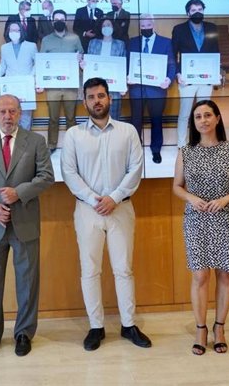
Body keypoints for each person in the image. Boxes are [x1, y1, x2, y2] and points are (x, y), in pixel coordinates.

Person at [61, 77, 152, 352]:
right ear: (84, 101)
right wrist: (93, 198)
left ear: (109, 99)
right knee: (90, 269)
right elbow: (69, 172)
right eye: (91, 96)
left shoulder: (127, 131)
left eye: (101, 95)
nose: (97, 101)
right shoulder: (74, 135)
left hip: (120, 208)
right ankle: (96, 327)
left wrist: (113, 197)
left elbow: (136, 168)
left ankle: (128, 324)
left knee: (123, 269)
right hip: (87, 210)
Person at [0, 94, 55, 358]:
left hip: (25, 222)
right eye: (3, 111)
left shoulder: (36, 141)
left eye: (13, 111)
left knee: (27, 282)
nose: (8, 116)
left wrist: (19, 192)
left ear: (20, 114)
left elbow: (46, 176)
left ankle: (24, 333)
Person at [172, 99, 229, 356]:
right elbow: (176, 186)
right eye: (198, 117)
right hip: (196, 219)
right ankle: (200, 329)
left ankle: (219, 328)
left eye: (208, 115)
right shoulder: (186, 152)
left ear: (217, 118)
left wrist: (226, 198)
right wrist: (191, 198)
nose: (203, 120)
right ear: (193, 123)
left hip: (226, 217)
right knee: (199, 275)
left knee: (225, 275)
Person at [171, 0, 220, 148]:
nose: (197, 12)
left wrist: (216, 72)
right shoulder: (179, 29)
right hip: (186, 78)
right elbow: (173, 54)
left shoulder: (212, 28)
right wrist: (177, 73)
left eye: (200, 9)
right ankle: (181, 145)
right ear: (188, 13)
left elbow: (215, 52)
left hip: (206, 78)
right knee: (185, 113)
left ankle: (203, 143)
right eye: (193, 10)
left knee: (204, 113)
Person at [127, 14, 175, 164]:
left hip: (157, 89)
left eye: (148, 26)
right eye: (143, 26)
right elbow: (127, 63)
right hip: (137, 88)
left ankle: (156, 150)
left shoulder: (166, 42)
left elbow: (172, 64)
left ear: (153, 25)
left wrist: (169, 79)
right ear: (139, 27)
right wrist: (126, 76)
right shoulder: (132, 42)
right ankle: (135, 151)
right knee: (136, 120)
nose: (146, 28)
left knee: (156, 119)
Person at [39, 9, 84, 152]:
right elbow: (41, 62)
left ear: (66, 21)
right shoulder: (46, 40)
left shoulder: (75, 38)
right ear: (53, 21)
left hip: (71, 85)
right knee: (53, 118)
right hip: (52, 86)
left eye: (62, 19)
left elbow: (81, 56)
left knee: (71, 117)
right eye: (56, 19)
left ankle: (73, 146)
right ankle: (51, 145)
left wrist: (80, 59)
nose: (59, 21)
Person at [82, 17, 127, 120]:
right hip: (96, 86)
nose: (106, 28)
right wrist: (84, 65)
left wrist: (122, 85)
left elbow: (123, 66)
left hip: (114, 88)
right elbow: (89, 63)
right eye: (104, 26)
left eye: (108, 25)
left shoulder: (120, 44)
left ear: (113, 27)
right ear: (100, 28)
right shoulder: (93, 43)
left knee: (114, 118)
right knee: (96, 116)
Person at [0, 21, 39, 130]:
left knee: (25, 118)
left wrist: (31, 77)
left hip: (26, 86)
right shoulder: (4, 47)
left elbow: (37, 64)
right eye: (12, 30)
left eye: (17, 30)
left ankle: (25, 143)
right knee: (11, 115)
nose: (14, 32)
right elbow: (2, 66)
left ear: (22, 31)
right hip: (11, 86)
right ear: (8, 32)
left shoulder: (31, 46)